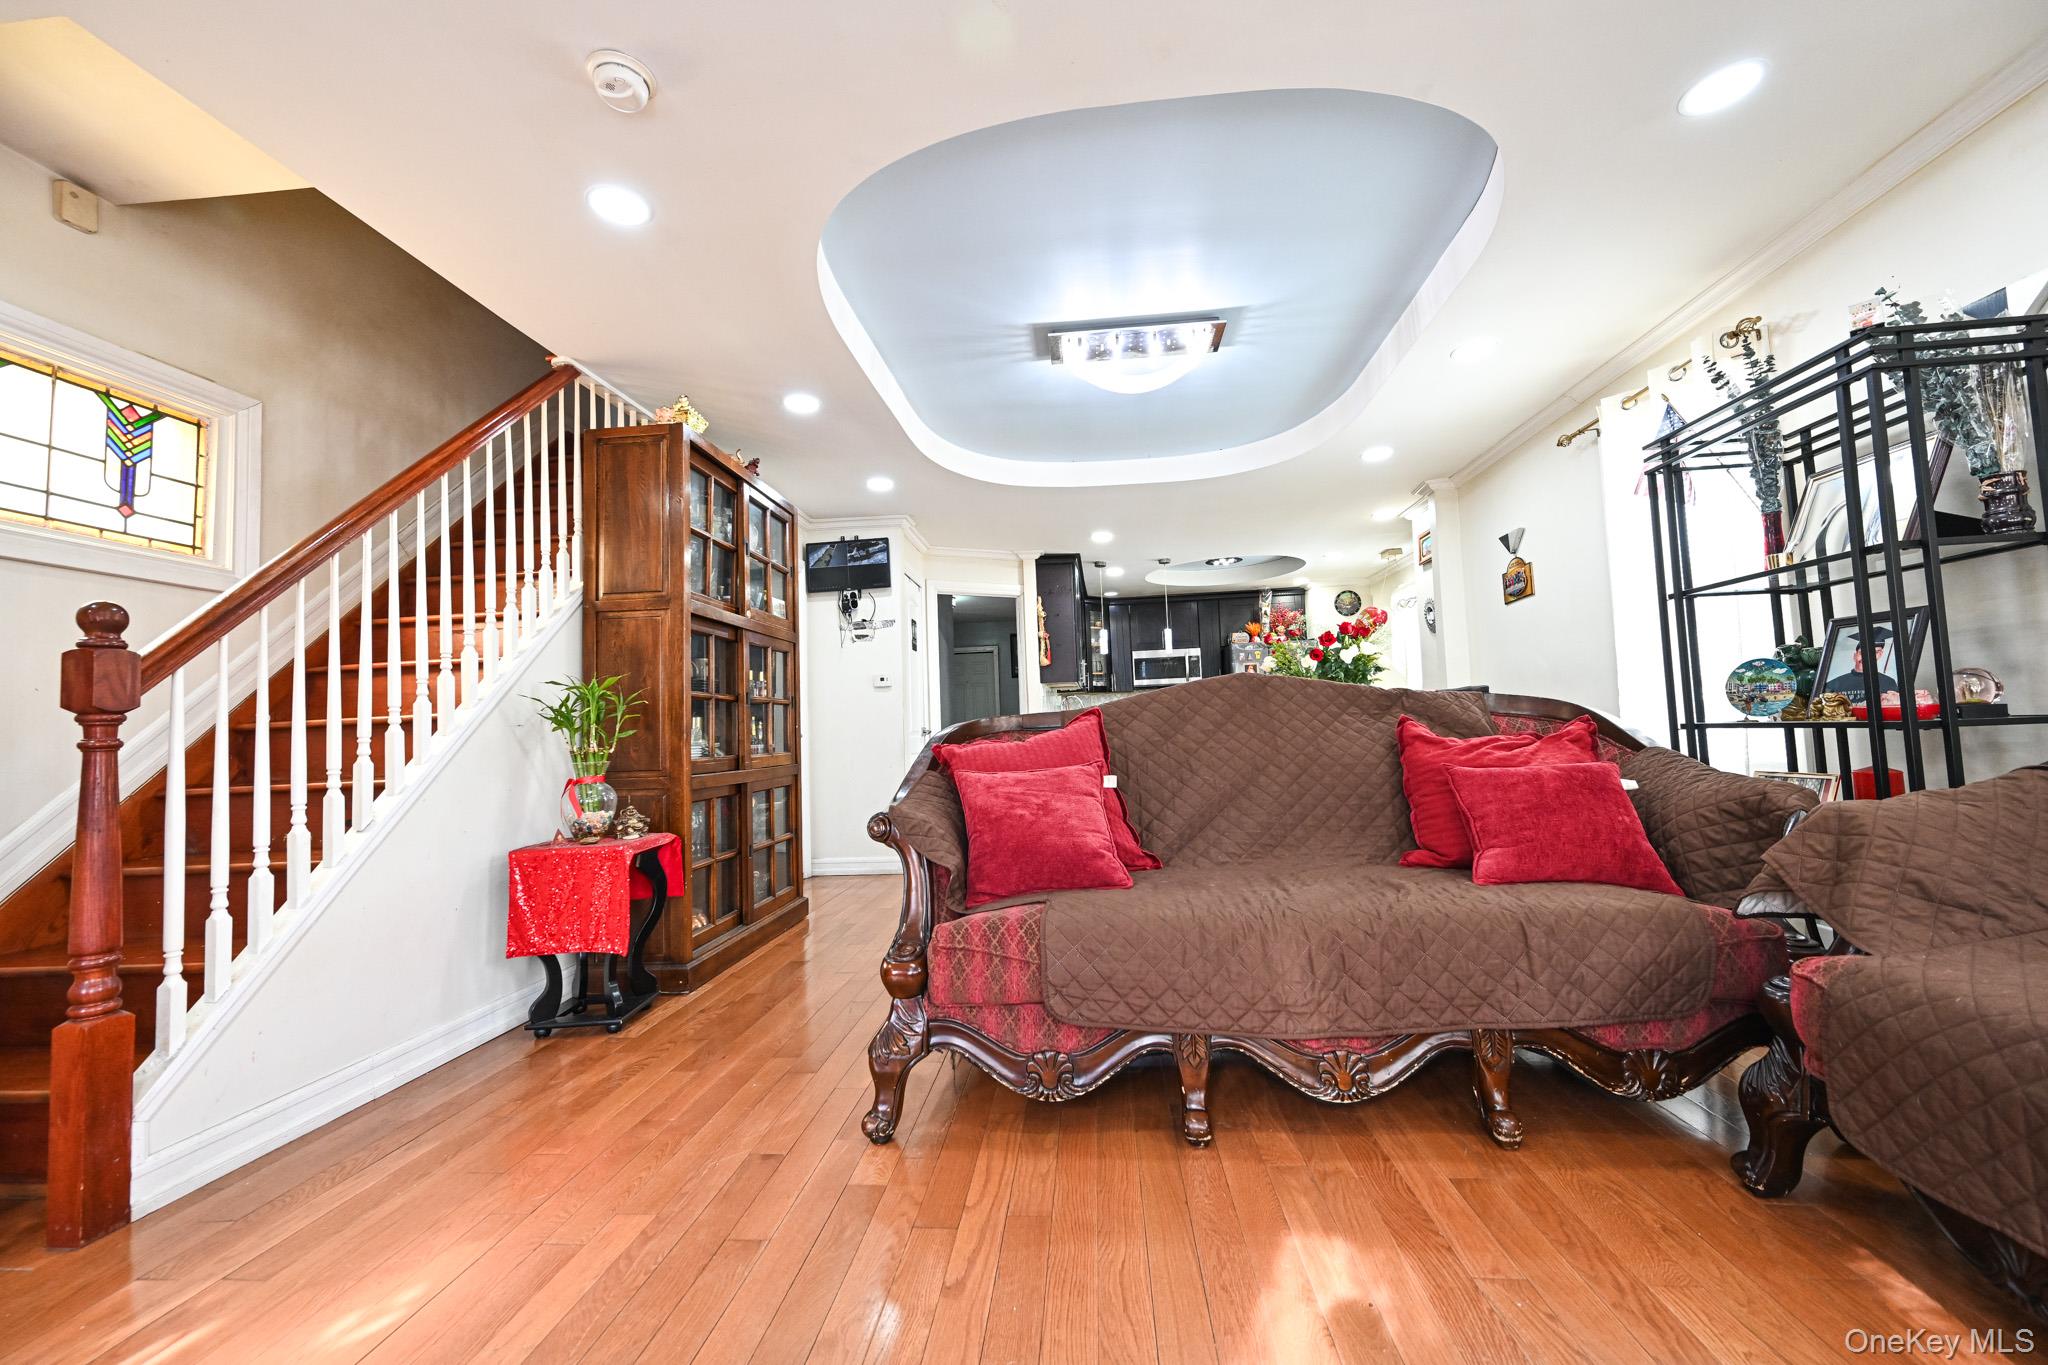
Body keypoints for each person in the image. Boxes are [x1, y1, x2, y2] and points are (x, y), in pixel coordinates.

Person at [1821, 629, 1899, 698]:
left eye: (1873, 653)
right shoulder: (1833, 684)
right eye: (1862, 653)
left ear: (1880, 654)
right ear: (1855, 656)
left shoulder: (1889, 683)